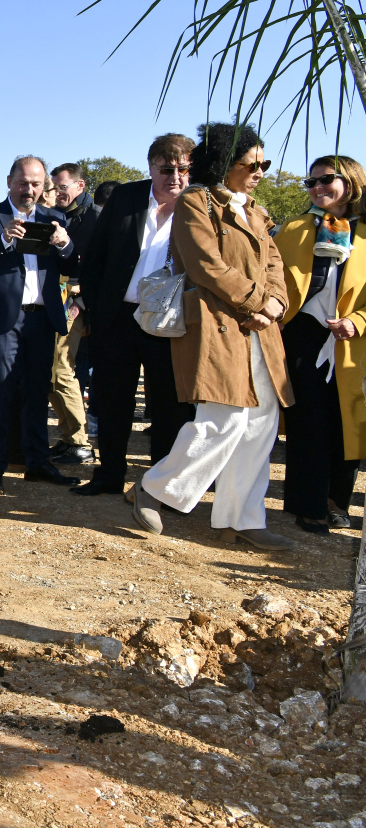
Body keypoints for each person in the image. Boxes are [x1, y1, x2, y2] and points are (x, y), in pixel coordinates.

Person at [133, 124, 293, 550]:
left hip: (262, 331)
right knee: (223, 420)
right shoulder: (195, 203)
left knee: (261, 425)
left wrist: (276, 304)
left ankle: (241, 518)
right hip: (219, 327)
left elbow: (275, 264)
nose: (261, 170)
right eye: (252, 163)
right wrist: (258, 303)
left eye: (265, 163)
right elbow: (206, 266)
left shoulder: (257, 211)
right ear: (225, 164)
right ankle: (154, 488)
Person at [69, 136, 197, 497]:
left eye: (184, 169)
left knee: (170, 408)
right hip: (118, 318)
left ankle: (159, 487)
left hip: (172, 321)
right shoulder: (126, 197)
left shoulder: (200, 205)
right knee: (112, 402)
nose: (176, 177)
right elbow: (95, 256)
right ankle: (109, 476)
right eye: (167, 169)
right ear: (151, 167)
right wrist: (93, 307)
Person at [0, 156, 79, 493]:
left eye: (35, 183)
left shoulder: (55, 218)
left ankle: (37, 463)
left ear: (43, 185)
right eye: (22, 182)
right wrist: (3, 240)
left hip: (42, 319)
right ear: (9, 182)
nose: (28, 189)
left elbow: (73, 261)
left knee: (37, 394)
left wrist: (63, 242)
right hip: (4, 319)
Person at [274, 154, 366, 535]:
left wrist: (357, 322)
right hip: (301, 335)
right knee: (307, 421)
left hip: (354, 341)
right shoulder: (293, 229)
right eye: (310, 183)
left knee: (347, 421)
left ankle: (336, 502)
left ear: (352, 180)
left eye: (326, 179)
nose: (317, 188)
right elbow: (273, 279)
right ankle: (307, 503)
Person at [47, 162, 98, 465]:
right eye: (53, 188)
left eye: (62, 187)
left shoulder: (93, 219)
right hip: (59, 303)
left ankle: (80, 441)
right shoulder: (61, 217)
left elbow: (98, 267)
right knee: (52, 374)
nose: (57, 193)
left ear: (80, 186)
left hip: (75, 308)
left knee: (62, 370)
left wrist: (83, 303)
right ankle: (68, 437)